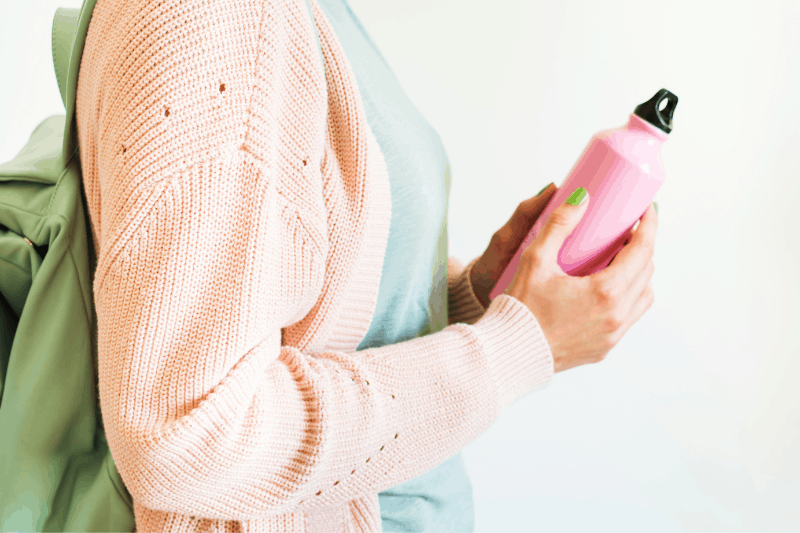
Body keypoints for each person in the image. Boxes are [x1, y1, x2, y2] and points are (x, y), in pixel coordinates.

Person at [74, 0, 656, 531]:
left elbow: (306, 305)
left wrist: (473, 295)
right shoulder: (216, 17)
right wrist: (512, 351)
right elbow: (185, 434)